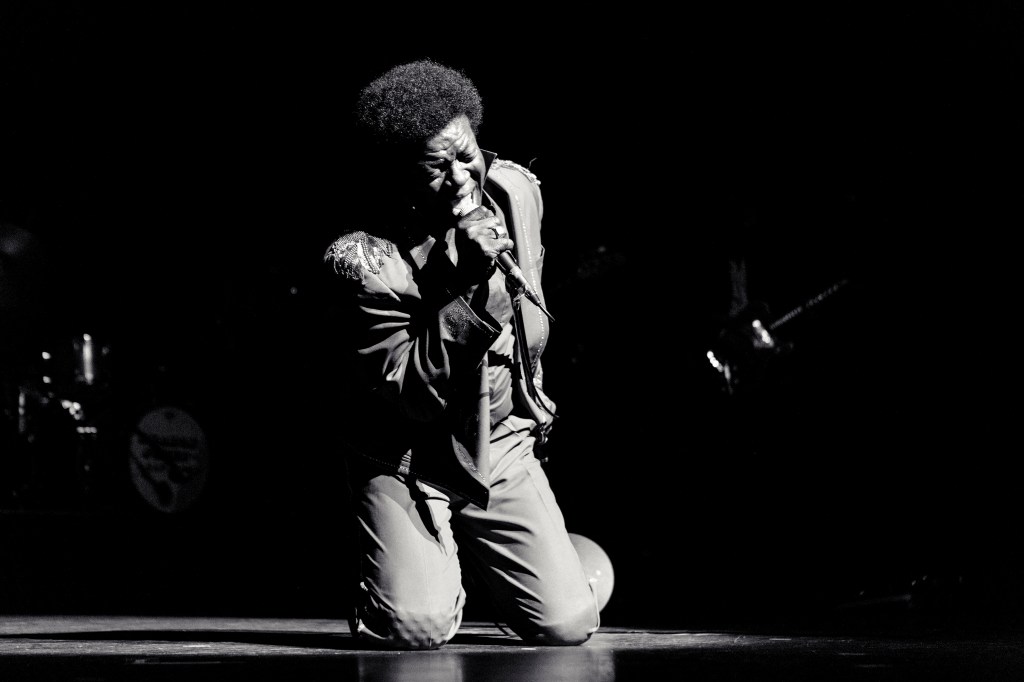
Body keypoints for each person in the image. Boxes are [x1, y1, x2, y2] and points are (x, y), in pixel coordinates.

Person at [320, 59, 600, 650]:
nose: (460, 178)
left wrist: (529, 407)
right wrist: (470, 290)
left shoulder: (517, 193)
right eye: (435, 168)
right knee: (415, 626)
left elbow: (530, 323)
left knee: (568, 622)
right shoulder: (366, 259)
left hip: (498, 440)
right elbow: (410, 393)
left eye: (466, 155)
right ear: (397, 175)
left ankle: (547, 567)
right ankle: (401, 567)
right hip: (406, 454)